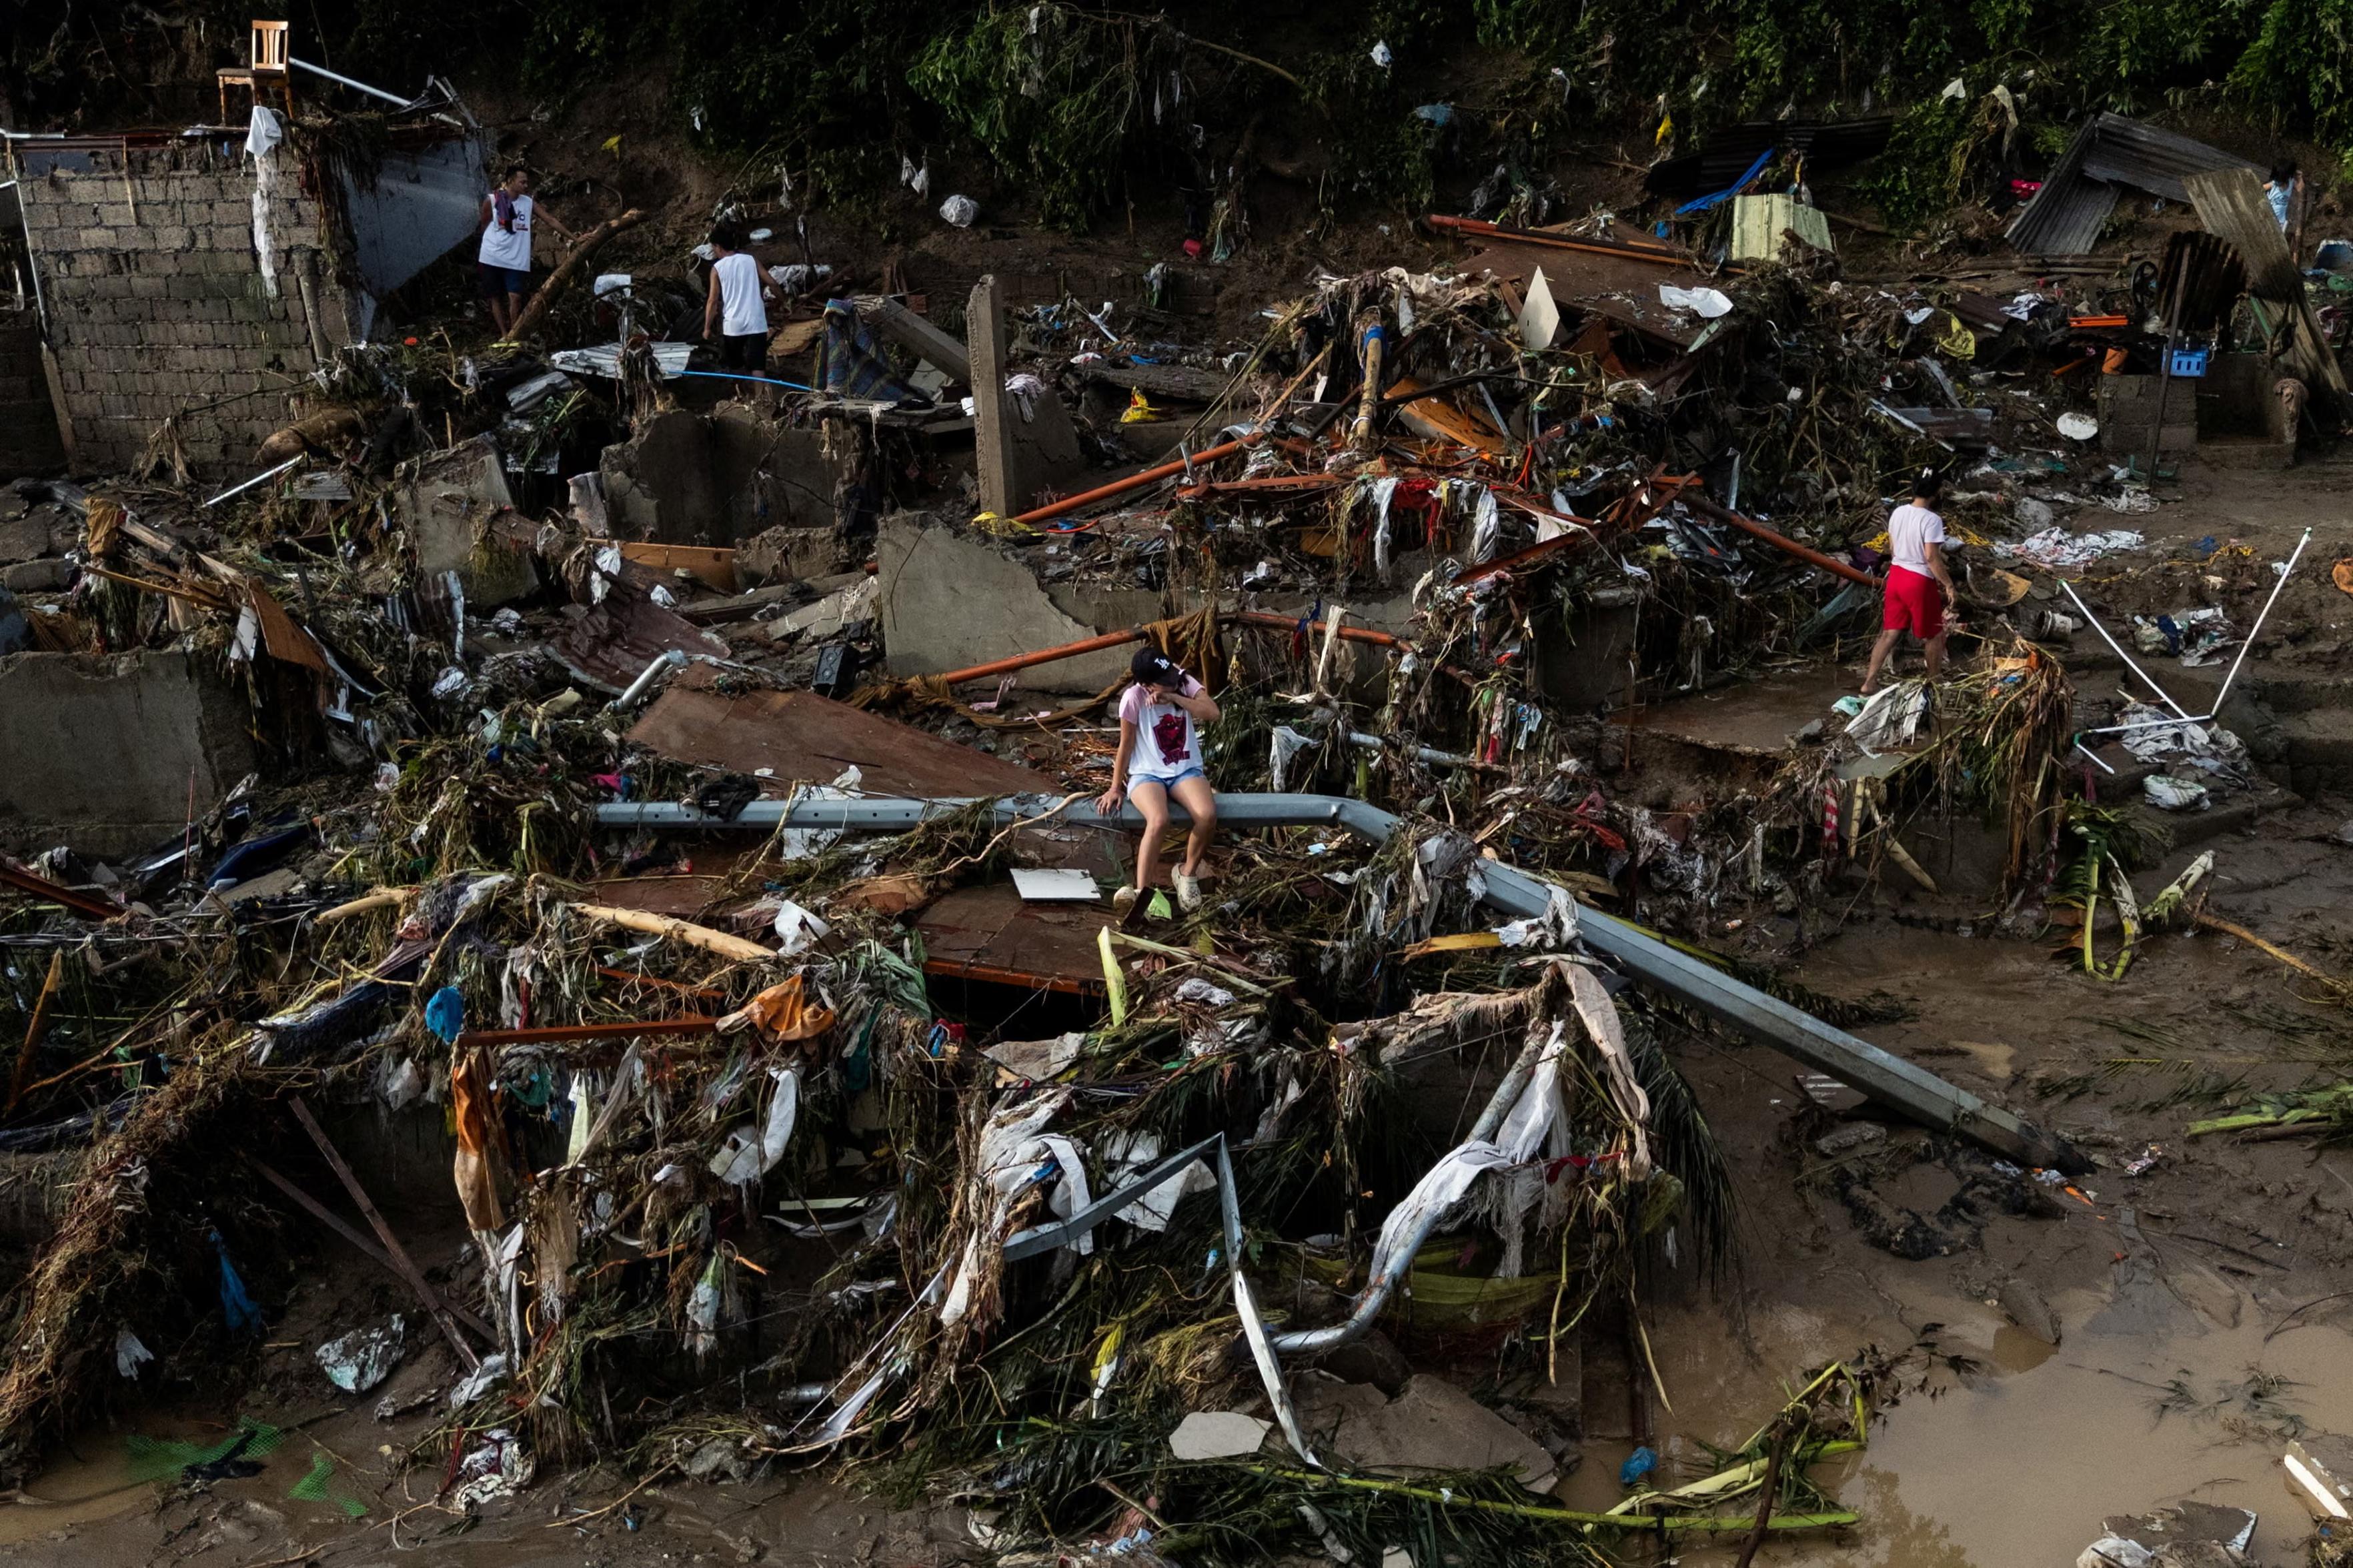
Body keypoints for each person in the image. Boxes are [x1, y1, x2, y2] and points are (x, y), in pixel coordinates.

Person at [1096, 648, 1221, 916]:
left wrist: (1173, 695)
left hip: (1185, 769)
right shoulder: (1133, 698)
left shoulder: (1184, 683)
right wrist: (1115, 787)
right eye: (1164, 680)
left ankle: (1187, 874)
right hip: (1147, 772)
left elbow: (1213, 713)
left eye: (1172, 674)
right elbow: (1126, 745)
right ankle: (1143, 892)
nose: (1173, 680)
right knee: (1159, 820)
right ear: (1146, 684)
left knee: (1207, 815)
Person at [1861, 470, 1963, 694]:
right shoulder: (1932, 520)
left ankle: (1869, 682)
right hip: (1918, 580)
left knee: (1889, 634)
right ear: (1936, 493)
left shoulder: (1897, 512)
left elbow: (1894, 548)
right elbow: (1931, 557)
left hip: (1896, 576)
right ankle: (1934, 682)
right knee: (1934, 634)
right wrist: (1948, 585)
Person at [476, 164, 576, 337]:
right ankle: (503, 333)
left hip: (516, 259)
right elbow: (484, 225)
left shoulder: (528, 203)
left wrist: (573, 238)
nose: (526, 186)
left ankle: (515, 333)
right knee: (495, 296)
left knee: (515, 296)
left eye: (527, 183)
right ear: (510, 181)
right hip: (491, 256)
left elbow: (550, 220)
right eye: (522, 182)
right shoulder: (493, 200)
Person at [702, 223, 771, 378]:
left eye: (713, 248)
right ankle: (760, 398)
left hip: (733, 325)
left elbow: (712, 301)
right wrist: (784, 301)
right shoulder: (751, 260)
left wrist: (707, 328)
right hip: (756, 322)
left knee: (735, 365)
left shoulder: (717, 268)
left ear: (718, 247)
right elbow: (771, 282)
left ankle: (743, 395)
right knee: (758, 364)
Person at [2266, 160, 2303, 233]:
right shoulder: (2274, 184)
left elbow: (2300, 189)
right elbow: (2260, 188)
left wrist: (2300, 178)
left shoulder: (2291, 182)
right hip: (2268, 217)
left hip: (2280, 221)